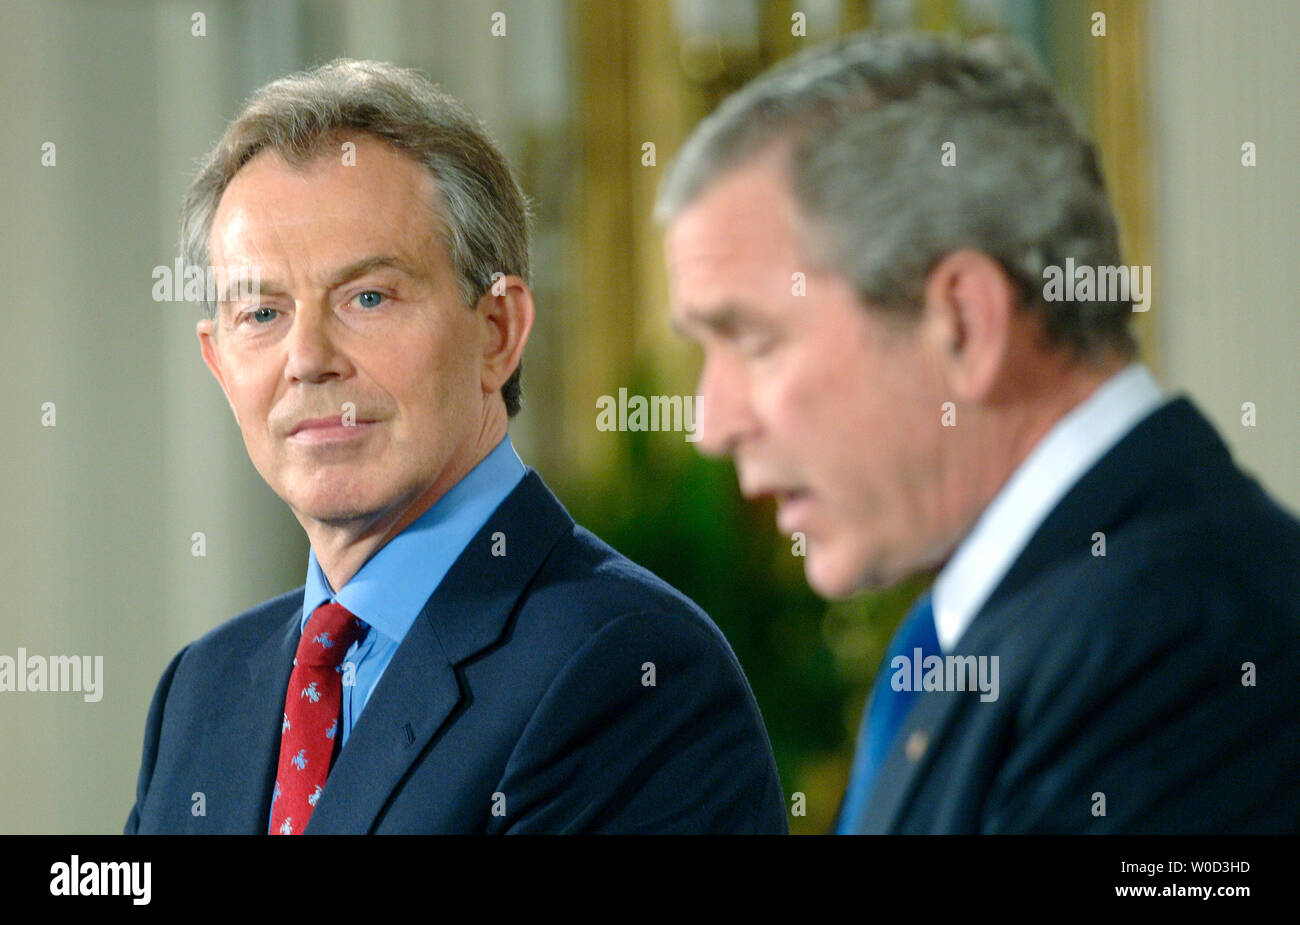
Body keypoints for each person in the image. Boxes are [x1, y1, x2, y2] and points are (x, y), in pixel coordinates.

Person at [657, 32, 1300, 833]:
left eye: (753, 342)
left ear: (963, 322)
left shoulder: (1181, 652)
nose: (712, 424)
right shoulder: (1014, 625)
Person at [125, 59, 786, 835]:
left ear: (497, 331)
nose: (308, 358)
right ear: (217, 359)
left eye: (367, 297)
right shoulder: (203, 690)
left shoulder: (631, 670)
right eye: (262, 314)